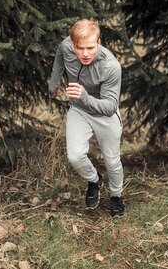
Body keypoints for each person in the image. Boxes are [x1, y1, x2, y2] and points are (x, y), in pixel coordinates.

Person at [48, 19, 125, 217]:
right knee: (75, 155)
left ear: (98, 43)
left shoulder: (111, 66)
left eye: (90, 48)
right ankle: (94, 180)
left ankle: (116, 197)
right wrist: (55, 81)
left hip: (104, 114)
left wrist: (85, 96)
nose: (84, 53)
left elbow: (109, 107)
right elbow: (59, 55)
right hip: (79, 110)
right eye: (79, 48)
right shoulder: (67, 46)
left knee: (112, 160)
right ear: (73, 44)